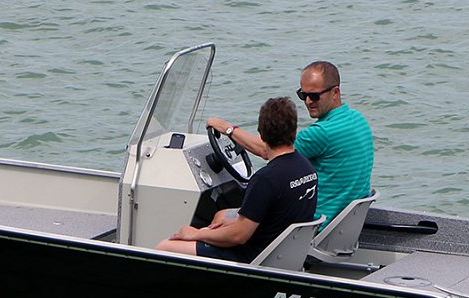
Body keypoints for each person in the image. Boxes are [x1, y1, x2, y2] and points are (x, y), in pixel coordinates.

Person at [205, 60, 374, 225]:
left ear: (335, 92)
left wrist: (228, 129)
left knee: (220, 216)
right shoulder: (358, 119)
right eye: (303, 95)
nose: (308, 101)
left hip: (316, 224)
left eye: (314, 96)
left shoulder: (321, 132)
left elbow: (268, 149)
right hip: (344, 224)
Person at [159, 97, 317, 263]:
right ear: (294, 132)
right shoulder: (306, 167)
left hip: (252, 257)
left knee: (165, 246)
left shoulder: (265, 179)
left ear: (262, 135)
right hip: (282, 252)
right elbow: (277, 215)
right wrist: (232, 224)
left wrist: (197, 233)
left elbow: (239, 236)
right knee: (220, 221)